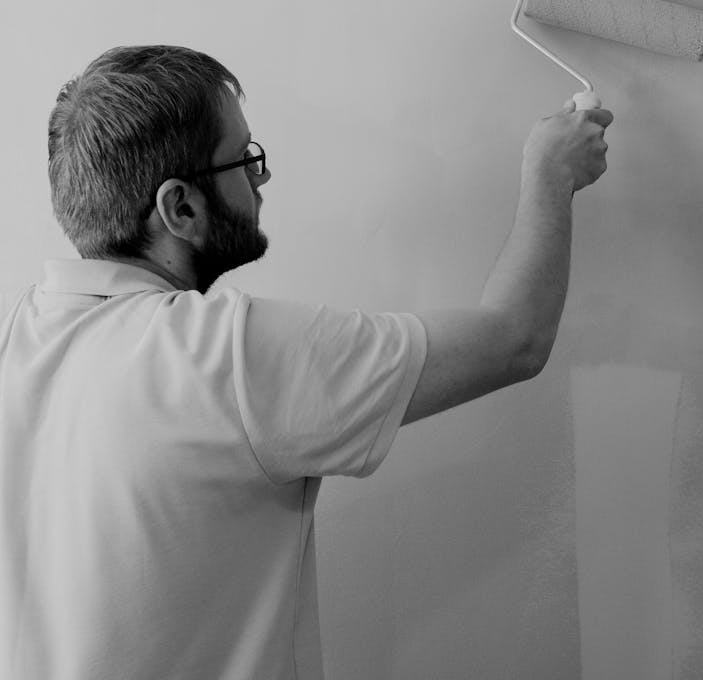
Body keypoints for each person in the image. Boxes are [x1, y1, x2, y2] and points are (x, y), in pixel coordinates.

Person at [0, 45, 613, 680]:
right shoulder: (222, 356)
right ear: (180, 207)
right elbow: (516, 339)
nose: (260, 180)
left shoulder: (18, 335)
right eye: (245, 160)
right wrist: (551, 175)